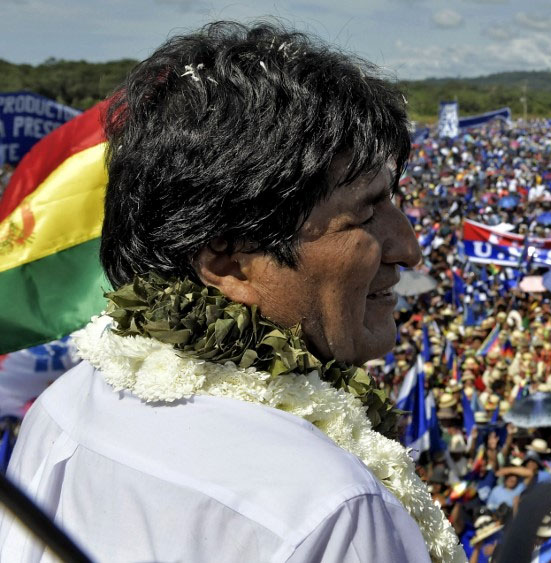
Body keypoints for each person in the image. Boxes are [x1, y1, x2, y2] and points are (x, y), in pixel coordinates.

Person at [0, 22, 462, 563]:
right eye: (365, 212)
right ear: (227, 261)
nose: (409, 249)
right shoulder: (331, 507)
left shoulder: (63, 405)